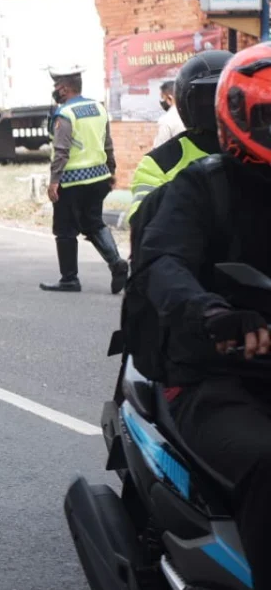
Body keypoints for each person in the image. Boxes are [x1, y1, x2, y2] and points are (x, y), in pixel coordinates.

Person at [131, 42, 271, 589]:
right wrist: (212, 313)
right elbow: (163, 262)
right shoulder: (197, 186)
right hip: (214, 375)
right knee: (267, 462)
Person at [39, 65, 128, 295]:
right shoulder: (98, 108)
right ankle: (116, 262)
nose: (55, 90)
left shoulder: (65, 114)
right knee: (93, 223)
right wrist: (111, 170)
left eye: (57, 86)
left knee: (64, 229)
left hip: (71, 181)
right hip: (98, 178)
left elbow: (61, 151)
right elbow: (107, 142)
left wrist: (53, 181)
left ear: (65, 89)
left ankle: (69, 279)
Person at [125, 50, 231, 226]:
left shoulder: (257, 150)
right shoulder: (160, 163)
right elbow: (141, 222)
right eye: (207, 98)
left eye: (226, 96)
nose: (216, 105)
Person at [152, 80, 186, 148]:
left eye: (162, 98)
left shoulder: (167, 120)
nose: (161, 102)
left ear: (170, 99)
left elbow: (159, 150)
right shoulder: (192, 115)